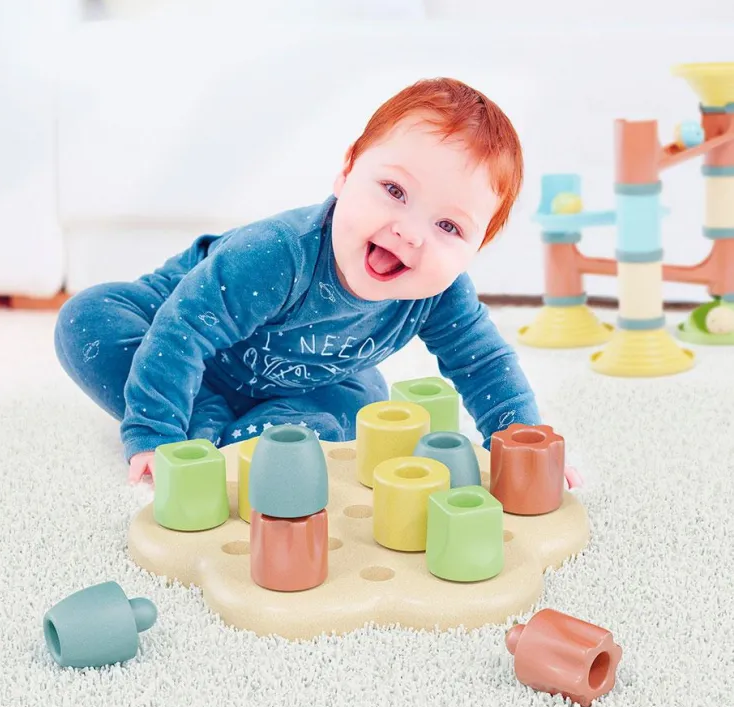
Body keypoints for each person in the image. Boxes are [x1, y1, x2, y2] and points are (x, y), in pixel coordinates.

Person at [54, 76, 583, 489]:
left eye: (448, 227)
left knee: (364, 408)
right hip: (175, 329)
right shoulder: (277, 253)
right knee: (87, 319)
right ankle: (199, 417)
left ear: (475, 250)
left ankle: (251, 429)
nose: (409, 232)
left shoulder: (441, 293)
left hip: (298, 379)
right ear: (347, 171)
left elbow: (483, 363)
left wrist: (524, 444)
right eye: (395, 191)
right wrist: (154, 432)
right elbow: (184, 328)